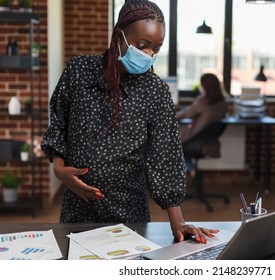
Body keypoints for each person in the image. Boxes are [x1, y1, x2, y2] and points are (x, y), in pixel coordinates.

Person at [41, 0, 217, 244]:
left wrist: (177, 221)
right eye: (142, 46)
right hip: (78, 209)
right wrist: (59, 170)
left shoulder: (155, 91)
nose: (148, 55)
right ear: (118, 36)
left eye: (156, 49)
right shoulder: (79, 71)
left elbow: (165, 155)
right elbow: (59, 121)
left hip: (129, 215)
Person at [176, 73, 228, 176]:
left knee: (174, 147)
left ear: (204, 87)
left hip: (196, 144)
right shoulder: (223, 103)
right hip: (210, 144)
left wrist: (170, 115)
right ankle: (193, 171)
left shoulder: (202, 102)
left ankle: (192, 170)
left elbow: (185, 114)